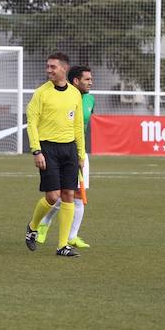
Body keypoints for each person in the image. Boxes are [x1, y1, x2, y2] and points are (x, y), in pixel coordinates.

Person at [23, 53, 86, 257]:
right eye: (47, 66)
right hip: (47, 148)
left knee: (68, 195)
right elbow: (31, 123)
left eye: (52, 67)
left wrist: (81, 154)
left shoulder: (75, 94)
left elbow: (78, 126)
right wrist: (36, 150)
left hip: (69, 149)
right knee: (52, 196)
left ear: (64, 69)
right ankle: (32, 227)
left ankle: (62, 246)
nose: (48, 70)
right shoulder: (41, 93)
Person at [37, 65, 93, 249]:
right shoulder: (59, 95)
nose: (90, 82)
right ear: (76, 81)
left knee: (77, 195)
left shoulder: (90, 99)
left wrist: (81, 153)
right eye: (87, 79)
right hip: (58, 148)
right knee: (59, 194)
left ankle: (71, 237)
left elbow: (81, 127)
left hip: (77, 150)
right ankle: (44, 223)